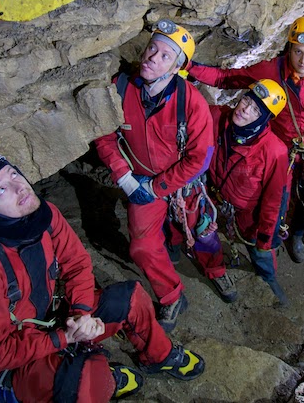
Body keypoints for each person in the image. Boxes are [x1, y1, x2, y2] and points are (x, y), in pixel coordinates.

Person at [0, 146, 205, 403]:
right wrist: (65, 338)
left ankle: (157, 356)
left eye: (13, 174)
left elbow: (76, 263)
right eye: (1, 190)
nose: (19, 186)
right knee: (87, 383)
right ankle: (99, 379)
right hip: (15, 361)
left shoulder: (43, 216)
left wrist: (81, 314)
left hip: (52, 322)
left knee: (131, 298)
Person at [188, 16, 304, 264]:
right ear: (290, 49)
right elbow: (227, 78)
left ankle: (297, 235)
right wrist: (189, 67)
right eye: (298, 52)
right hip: (280, 153)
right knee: (277, 198)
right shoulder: (271, 70)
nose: (303, 60)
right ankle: (268, 238)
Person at [93, 19, 229, 332]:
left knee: (204, 232)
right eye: (152, 48)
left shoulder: (191, 102)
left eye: (166, 55)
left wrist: (159, 187)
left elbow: (202, 156)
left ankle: (217, 270)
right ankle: (171, 296)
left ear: (177, 67)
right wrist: (124, 176)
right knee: (141, 247)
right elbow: (103, 135)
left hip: (181, 183)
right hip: (138, 180)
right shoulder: (121, 88)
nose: (153, 57)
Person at [206, 79, 292, 304]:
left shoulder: (274, 151)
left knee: (260, 252)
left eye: (256, 109)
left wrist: (266, 239)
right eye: (247, 100)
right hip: (213, 198)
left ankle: (269, 278)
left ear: (264, 119)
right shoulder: (218, 118)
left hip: (249, 216)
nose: (245, 109)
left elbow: (274, 201)